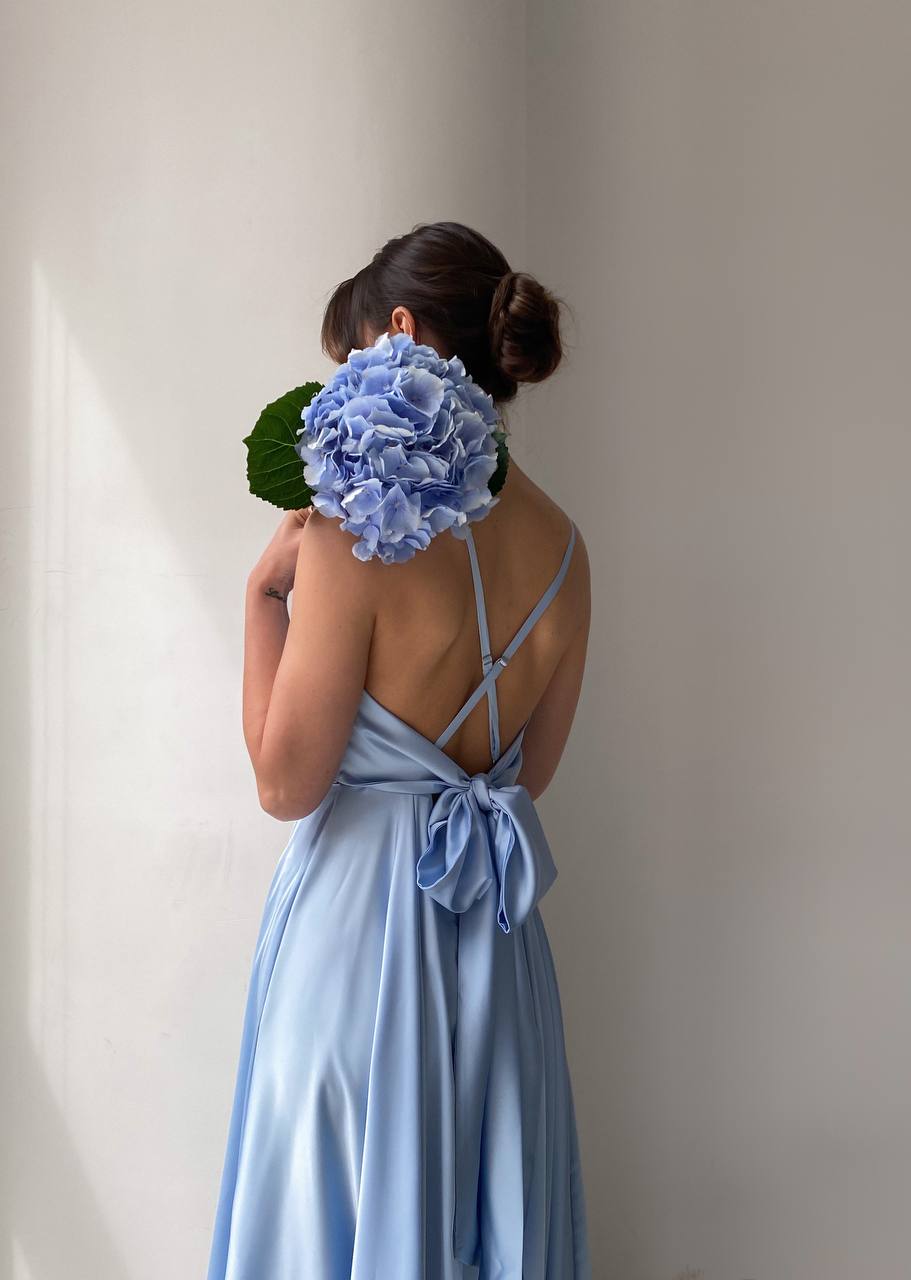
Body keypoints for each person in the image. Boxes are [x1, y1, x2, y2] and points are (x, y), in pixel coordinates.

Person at [206, 221, 592, 1279]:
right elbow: (529, 775)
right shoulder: (565, 549)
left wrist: (261, 599)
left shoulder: (351, 533)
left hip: (356, 957)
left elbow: (287, 780)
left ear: (404, 333)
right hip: (498, 964)